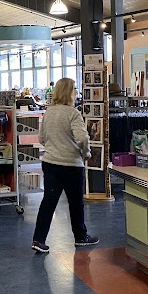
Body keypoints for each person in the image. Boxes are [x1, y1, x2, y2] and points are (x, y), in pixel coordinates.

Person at [32, 78, 99, 253]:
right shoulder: (73, 113)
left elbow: (41, 139)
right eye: (74, 90)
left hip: (50, 162)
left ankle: (38, 239)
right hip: (71, 165)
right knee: (75, 203)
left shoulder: (49, 112)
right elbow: (82, 138)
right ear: (69, 92)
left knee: (49, 201)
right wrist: (86, 153)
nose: (76, 93)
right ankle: (80, 236)